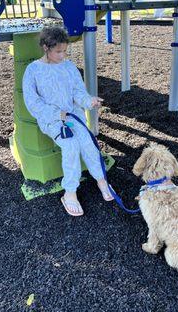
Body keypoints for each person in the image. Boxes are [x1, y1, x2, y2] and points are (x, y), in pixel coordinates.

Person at [22, 26, 114, 216]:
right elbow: (32, 102)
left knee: (89, 143)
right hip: (52, 120)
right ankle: (70, 192)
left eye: (65, 50)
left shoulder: (69, 66)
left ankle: (101, 180)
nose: (63, 55)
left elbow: (78, 91)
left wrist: (89, 101)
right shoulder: (33, 70)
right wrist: (57, 114)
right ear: (46, 47)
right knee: (71, 145)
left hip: (74, 116)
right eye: (58, 51)